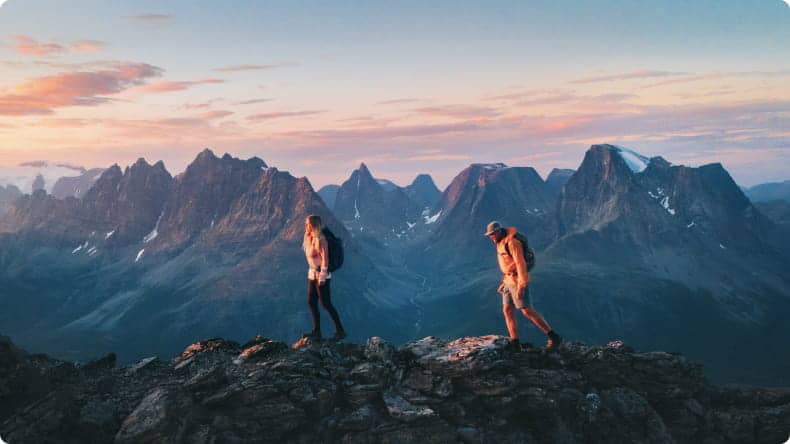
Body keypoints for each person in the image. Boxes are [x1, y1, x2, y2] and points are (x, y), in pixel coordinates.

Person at [484, 221, 562, 349]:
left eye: (492, 234)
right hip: (508, 280)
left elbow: (520, 264)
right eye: (489, 235)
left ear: (498, 232)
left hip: (517, 281)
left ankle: (554, 337)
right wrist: (504, 282)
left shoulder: (513, 243)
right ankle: (515, 342)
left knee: (526, 310)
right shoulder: (500, 242)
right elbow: (508, 264)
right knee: (507, 310)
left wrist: (522, 285)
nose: (490, 237)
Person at [302, 214, 346, 340]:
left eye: (307, 224)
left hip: (322, 276)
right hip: (312, 274)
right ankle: (316, 331)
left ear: (312, 225)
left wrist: (322, 276)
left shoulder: (321, 239)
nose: (305, 226)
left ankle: (340, 330)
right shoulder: (308, 237)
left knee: (326, 303)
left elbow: (325, 259)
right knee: (311, 302)